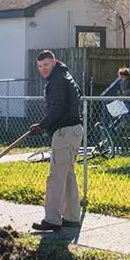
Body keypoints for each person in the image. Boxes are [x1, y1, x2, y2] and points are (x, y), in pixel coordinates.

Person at [29, 50, 84, 233]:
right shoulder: (64, 75)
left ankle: (52, 220)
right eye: (39, 66)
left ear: (53, 63)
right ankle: (71, 218)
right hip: (74, 131)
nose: (42, 69)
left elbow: (57, 109)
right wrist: (44, 127)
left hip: (65, 133)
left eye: (45, 65)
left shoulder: (58, 81)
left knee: (55, 178)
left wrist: (42, 126)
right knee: (68, 175)